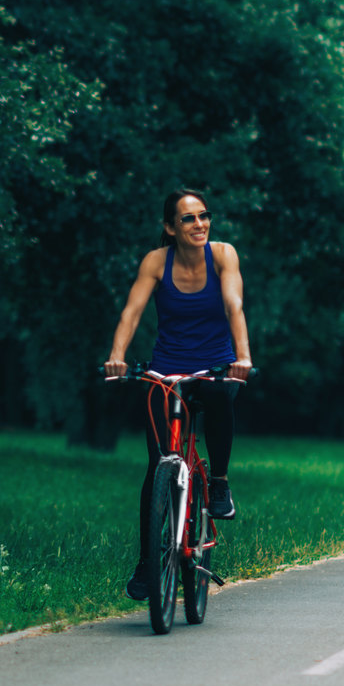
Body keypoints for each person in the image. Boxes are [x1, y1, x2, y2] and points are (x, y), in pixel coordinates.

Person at [104, 189, 253, 601]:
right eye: (188, 219)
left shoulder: (223, 255)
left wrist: (242, 356)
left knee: (221, 396)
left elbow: (233, 303)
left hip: (216, 366)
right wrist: (117, 357)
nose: (199, 224)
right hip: (166, 369)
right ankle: (149, 561)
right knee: (157, 467)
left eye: (203, 216)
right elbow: (131, 312)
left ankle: (219, 483)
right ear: (170, 227)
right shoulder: (156, 261)